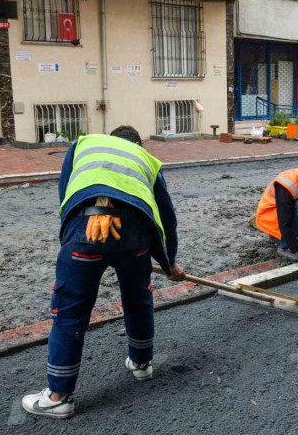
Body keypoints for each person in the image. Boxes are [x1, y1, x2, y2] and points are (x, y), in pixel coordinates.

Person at [22, 126, 184, 419]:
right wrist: (168, 261)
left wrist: (71, 240)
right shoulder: (147, 160)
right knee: (138, 300)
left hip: (86, 229)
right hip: (136, 234)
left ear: (111, 137)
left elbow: (66, 192)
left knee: (71, 311)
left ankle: (58, 397)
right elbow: (165, 214)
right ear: (138, 144)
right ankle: (141, 364)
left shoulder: (84, 144)